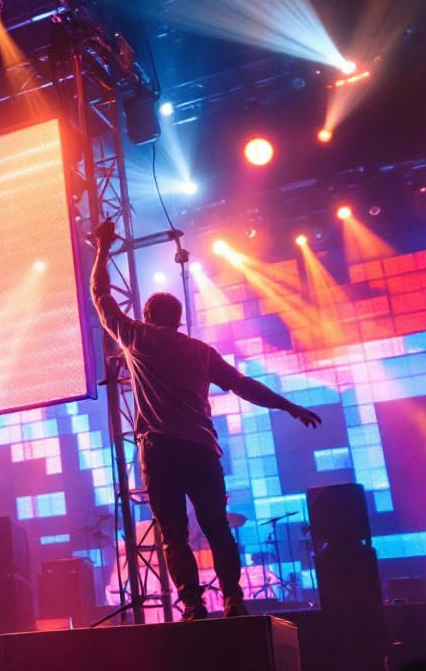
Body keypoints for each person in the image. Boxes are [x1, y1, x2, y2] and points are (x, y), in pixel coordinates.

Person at [90, 219, 322, 620]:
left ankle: (194, 606)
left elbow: (100, 294)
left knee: (174, 536)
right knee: (217, 528)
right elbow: (245, 385)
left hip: (160, 449)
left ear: (147, 315)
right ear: (178, 319)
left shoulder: (137, 338)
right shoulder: (201, 352)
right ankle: (234, 601)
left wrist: (102, 249)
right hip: (200, 449)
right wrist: (290, 406)